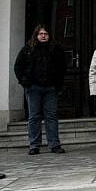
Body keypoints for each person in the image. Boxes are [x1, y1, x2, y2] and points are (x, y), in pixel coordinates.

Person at [14, 24, 66, 155]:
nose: (43, 36)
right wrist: (25, 82)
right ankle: (34, 145)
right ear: (36, 35)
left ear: (49, 35)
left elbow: (62, 67)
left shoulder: (56, 49)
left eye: (46, 34)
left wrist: (58, 83)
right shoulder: (28, 49)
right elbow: (18, 66)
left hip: (50, 88)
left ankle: (54, 144)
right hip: (34, 88)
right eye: (41, 34)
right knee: (34, 116)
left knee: (51, 116)